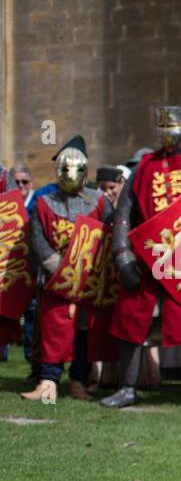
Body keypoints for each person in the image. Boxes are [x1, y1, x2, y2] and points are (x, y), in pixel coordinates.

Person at [103, 105, 181, 412]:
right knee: (130, 319)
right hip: (146, 257)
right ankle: (127, 388)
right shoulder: (145, 166)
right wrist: (122, 255)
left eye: (171, 127)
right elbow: (124, 215)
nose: (166, 133)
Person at [21, 136, 115, 403]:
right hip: (56, 279)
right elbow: (36, 239)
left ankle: (78, 381)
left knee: (84, 332)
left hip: (88, 280)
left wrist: (89, 269)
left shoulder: (98, 202)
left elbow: (108, 234)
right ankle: (48, 382)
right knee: (52, 329)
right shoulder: (44, 202)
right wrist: (57, 267)